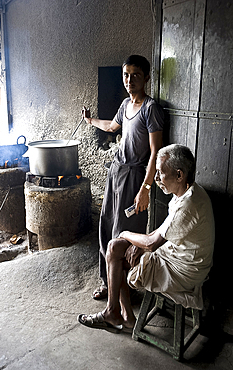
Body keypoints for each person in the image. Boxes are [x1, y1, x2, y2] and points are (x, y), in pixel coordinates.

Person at [77, 144, 215, 332]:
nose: (156, 178)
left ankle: (116, 313)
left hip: (185, 269)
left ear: (179, 175)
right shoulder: (187, 192)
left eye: (160, 172)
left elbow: (152, 243)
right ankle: (122, 315)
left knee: (115, 250)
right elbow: (163, 234)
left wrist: (126, 234)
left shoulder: (188, 204)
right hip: (176, 255)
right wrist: (140, 246)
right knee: (116, 249)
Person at [82, 55, 164, 299]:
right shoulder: (125, 105)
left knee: (125, 230)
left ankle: (124, 288)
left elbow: (155, 152)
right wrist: (90, 120)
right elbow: (111, 127)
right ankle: (107, 283)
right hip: (116, 172)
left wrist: (145, 188)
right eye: (126, 75)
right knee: (106, 224)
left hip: (135, 176)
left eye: (136, 75)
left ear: (146, 78)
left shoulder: (151, 109)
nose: (129, 80)